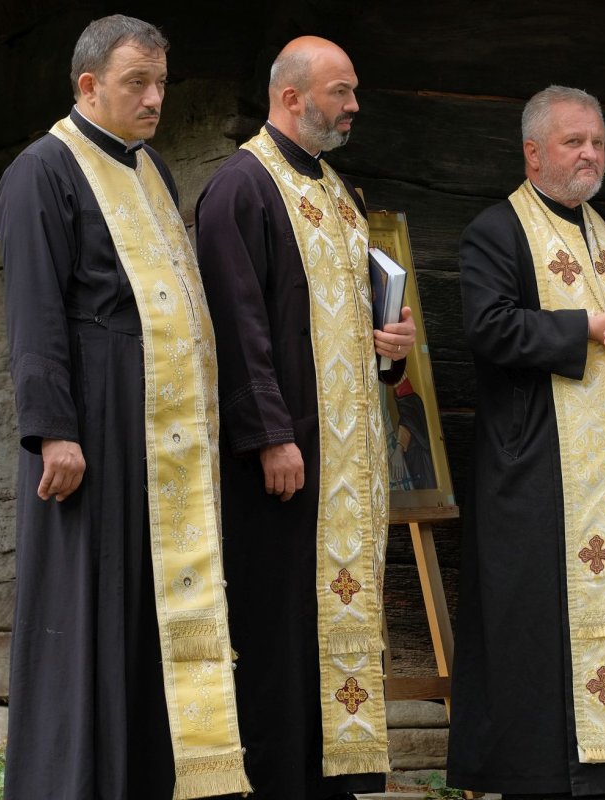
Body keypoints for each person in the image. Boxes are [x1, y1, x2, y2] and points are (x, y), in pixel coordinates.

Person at [0, 15, 250, 800]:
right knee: (88, 612)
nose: (153, 98)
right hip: (94, 426)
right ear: (88, 85)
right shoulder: (43, 170)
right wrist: (54, 432)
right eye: (137, 81)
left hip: (159, 438)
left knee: (146, 616)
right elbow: (35, 311)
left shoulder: (153, 171)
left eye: (161, 83)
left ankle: (148, 776)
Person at [449, 85, 605, 798]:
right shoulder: (496, 230)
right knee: (542, 614)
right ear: (533, 152)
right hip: (541, 466)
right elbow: (489, 328)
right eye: (572, 142)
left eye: (596, 141)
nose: (589, 154)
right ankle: (549, 770)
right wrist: (585, 328)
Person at [194, 36, 416, 799]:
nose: (354, 106)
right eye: (341, 91)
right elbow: (238, 326)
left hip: (347, 467)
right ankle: (279, 783)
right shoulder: (240, 188)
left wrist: (392, 346)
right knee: (280, 629)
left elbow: (355, 323)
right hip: (287, 462)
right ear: (292, 97)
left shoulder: (337, 192)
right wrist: (270, 435)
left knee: (335, 629)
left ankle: (335, 782)